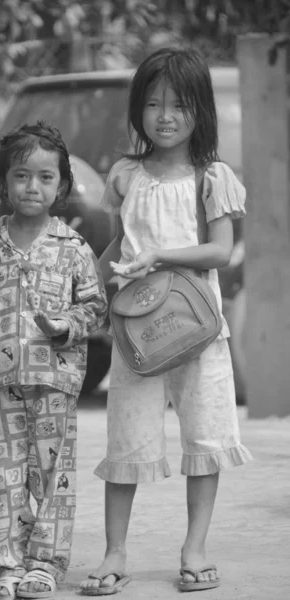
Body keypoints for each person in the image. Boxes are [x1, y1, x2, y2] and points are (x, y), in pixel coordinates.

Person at [80, 47, 252, 596]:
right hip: (137, 337)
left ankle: (194, 548)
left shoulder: (213, 176)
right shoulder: (128, 176)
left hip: (200, 333)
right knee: (126, 442)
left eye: (178, 104)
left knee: (205, 439)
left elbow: (222, 252)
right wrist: (85, 286)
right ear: (138, 110)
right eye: (152, 104)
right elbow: (117, 245)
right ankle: (114, 553)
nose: (165, 116)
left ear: (200, 109)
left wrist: (164, 256)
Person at [0, 121, 108, 600]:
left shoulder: (73, 248)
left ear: (60, 186)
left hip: (55, 382)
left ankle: (45, 565)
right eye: (21, 175)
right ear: (3, 182)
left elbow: (95, 307)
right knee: (4, 476)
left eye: (44, 177)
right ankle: (9, 565)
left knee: (51, 474)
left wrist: (67, 326)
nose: (32, 186)